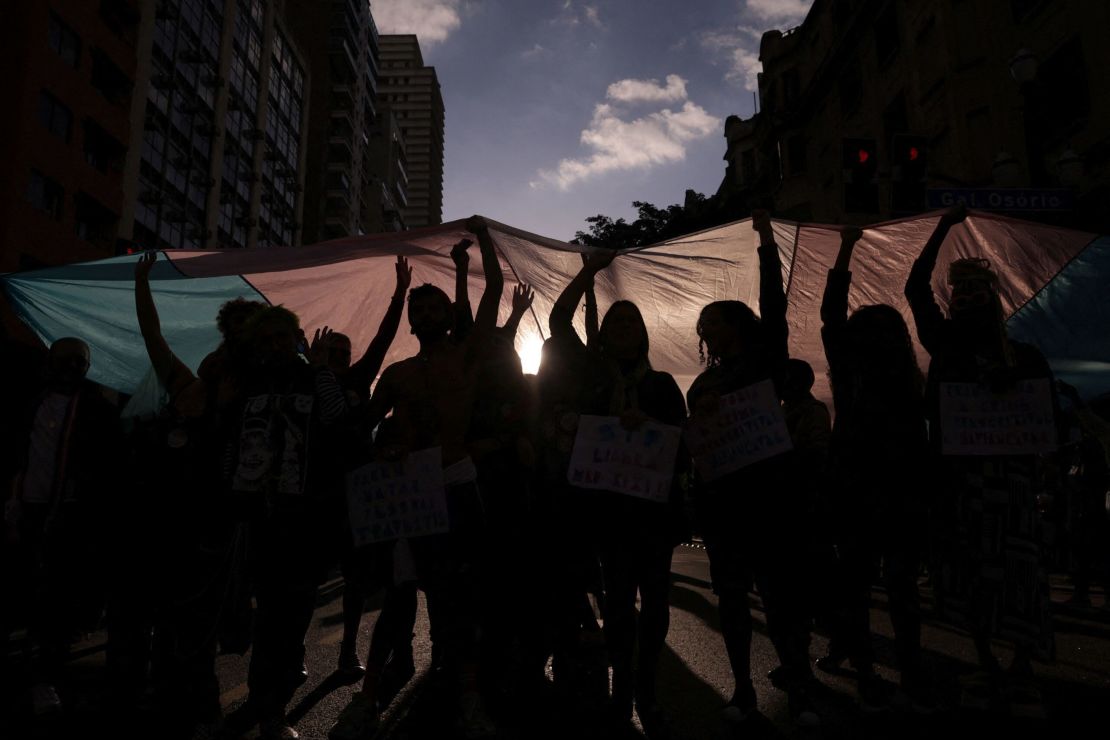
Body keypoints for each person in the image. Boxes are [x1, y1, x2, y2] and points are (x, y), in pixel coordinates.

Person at [329, 216, 504, 740]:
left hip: (456, 486)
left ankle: (470, 697)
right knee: (400, 600)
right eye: (417, 309)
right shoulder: (398, 374)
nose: (425, 313)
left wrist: (478, 249)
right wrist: (385, 445)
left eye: (434, 307)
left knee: (462, 598)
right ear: (410, 322)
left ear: (449, 315)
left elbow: (493, 288)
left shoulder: (469, 357)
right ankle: (366, 700)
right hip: (409, 497)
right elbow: (366, 426)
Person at [905, 203, 1057, 715]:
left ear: (995, 302)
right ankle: (987, 661)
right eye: (960, 292)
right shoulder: (944, 346)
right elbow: (915, 287)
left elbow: (1045, 414)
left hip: (1010, 487)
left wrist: (1013, 385)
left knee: (1019, 576)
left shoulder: (1025, 356)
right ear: (950, 303)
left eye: (978, 291)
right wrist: (942, 228)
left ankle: (1020, 665)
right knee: (971, 576)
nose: (968, 299)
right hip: (959, 484)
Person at [687, 210, 819, 728]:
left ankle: (800, 689)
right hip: (724, 508)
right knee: (734, 602)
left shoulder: (764, 360)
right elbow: (695, 444)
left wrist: (766, 241)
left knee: (782, 600)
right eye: (703, 326)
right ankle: (743, 691)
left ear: (738, 324)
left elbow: (775, 303)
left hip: (772, 500)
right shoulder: (701, 387)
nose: (706, 330)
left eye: (714, 321)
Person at [549, 251, 688, 738]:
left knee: (654, 606)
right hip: (607, 515)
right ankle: (622, 692)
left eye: (632, 320)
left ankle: (645, 689)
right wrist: (589, 270)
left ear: (643, 334)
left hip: (651, 515)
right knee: (618, 605)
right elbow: (559, 319)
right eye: (616, 320)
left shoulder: (663, 385)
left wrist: (648, 426)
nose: (624, 325)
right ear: (605, 335)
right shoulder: (593, 377)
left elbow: (681, 441)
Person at [221, 304, 352, 740]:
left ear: (296, 339)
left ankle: (272, 710)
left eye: (283, 337)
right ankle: (264, 706)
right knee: (265, 620)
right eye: (266, 339)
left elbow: (338, 419)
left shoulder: (311, 378)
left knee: (292, 619)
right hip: (255, 520)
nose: (275, 346)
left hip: (304, 523)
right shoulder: (245, 382)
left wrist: (319, 371)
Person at [819, 227, 931, 712]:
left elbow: (831, 316)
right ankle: (900, 670)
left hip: (870, 492)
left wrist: (848, 247)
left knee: (866, 587)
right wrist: (845, 248)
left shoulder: (861, 376)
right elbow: (831, 315)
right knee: (892, 589)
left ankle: (876, 671)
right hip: (881, 492)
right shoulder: (898, 381)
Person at [2, 337, 122, 719]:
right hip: (23, 511)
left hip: (69, 518)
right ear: (50, 361)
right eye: (64, 359)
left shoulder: (97, 411)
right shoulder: (27, 404)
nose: (71, 367)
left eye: (79, 361)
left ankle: (46, 678)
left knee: (56, 600)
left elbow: (108, 470)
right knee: (21, 593)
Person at [320, 257, 413, 680]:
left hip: (358, 493)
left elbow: (382, 338)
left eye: (344, 352)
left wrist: (399, 294)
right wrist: (313, 364)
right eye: (332, 352)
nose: (341, 356)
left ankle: (348, 650)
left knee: (359, 581)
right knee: (308, 580)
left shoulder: (358, 380)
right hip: (316, 494)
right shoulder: (308, 381)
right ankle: (291, 659)